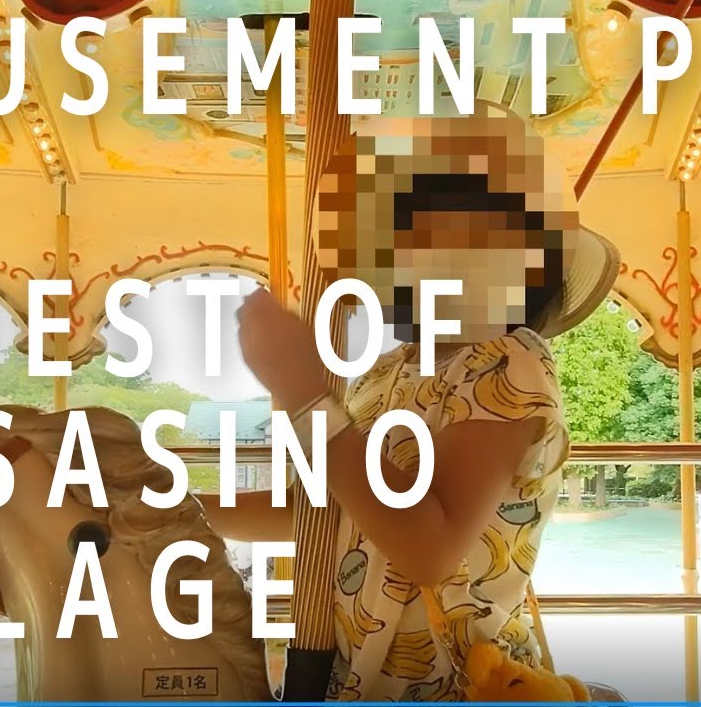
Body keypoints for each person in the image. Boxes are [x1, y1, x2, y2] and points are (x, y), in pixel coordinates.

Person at [206, 104, 620, 701]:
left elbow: (430, 548)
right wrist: (177, 508)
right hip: (358, 678)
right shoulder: (384, 374)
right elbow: (324, 512)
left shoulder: (508, 364)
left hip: (456, 683)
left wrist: (302, 393)